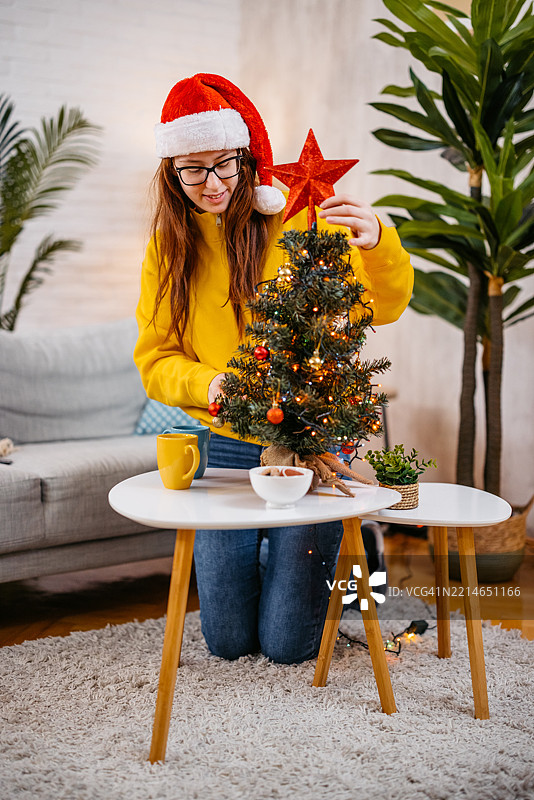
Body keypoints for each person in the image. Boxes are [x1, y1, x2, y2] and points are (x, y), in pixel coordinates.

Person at [134, 73, 413, 664]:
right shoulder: (168, 249)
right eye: (192, 168)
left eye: (223, 165)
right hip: (228, 444)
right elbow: (155, 359)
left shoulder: (293, 218)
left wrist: (379, 243)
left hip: (310, 441)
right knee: (229, 643)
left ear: (245, 157)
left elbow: (380, 308)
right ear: (170, 171)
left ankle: (326, 556)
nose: (210, 184)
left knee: (289, 647)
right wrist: (206, 382)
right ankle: (289, 558)